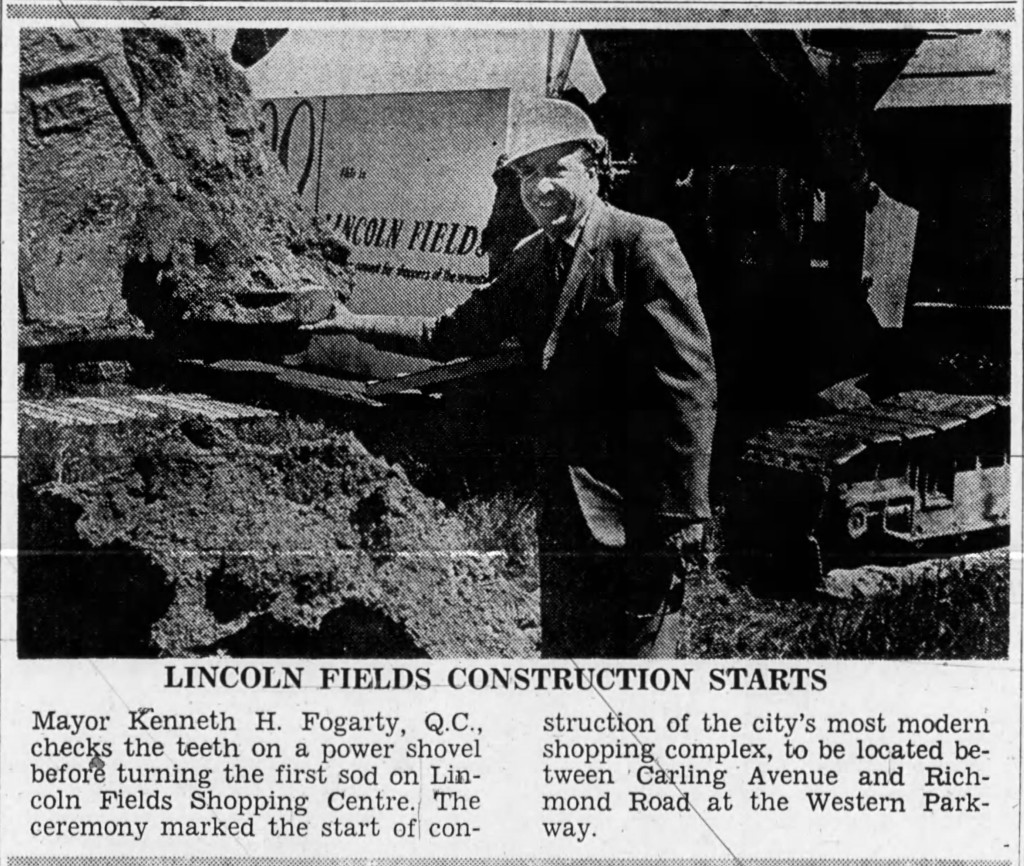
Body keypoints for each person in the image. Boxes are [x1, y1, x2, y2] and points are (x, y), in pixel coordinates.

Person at [304, 97, 716, 659]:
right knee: (568, 656)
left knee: (639, 667)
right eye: (526, 173)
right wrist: (350, 324)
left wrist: (686, 510)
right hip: (567, 505)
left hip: (641, 507)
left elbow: (687, 381)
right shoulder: (531, 256)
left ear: (593, 168)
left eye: (555, 169)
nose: (539, 188)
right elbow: (448, 334)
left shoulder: (640, 243)